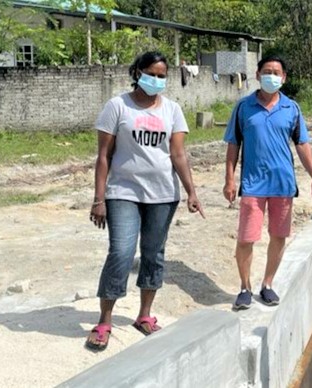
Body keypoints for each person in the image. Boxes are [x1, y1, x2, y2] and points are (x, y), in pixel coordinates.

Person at [86, 51, 205, 351]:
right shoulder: (117, 106)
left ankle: (144, 316)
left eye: (162, 75)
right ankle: (104, 320)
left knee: (154, 254)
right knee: (122, 252)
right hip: (123, 192)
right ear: (138, 72)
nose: (157, 79)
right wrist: (99, 198)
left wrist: (192, 191)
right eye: (151, 73)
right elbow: (103, 156)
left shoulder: (172, 110)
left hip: (163, 195)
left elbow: (178, 154)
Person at [223, 55, 312, 310]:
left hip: (283, 184)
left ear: (284, 78)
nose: (272, 76)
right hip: (253, 184)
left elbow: (302, 144)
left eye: (276, 72)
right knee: (246, 238)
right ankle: (245, 287)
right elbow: (233, 145)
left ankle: (267, 284)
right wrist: (229, 179)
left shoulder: (292, 108)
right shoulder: (243, 107)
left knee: (279, 235)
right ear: (257, 75)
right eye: (267, 71)